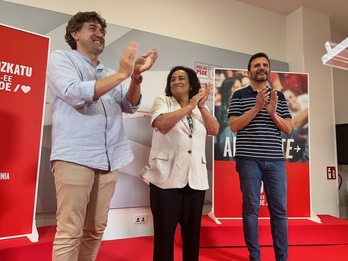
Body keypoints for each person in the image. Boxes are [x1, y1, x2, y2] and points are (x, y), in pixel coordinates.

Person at [46, 11, 158, 261]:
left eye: (103, 31)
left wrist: (136, 76)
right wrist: (122, 74)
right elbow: (74, 93)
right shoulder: (61, 59)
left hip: (110, 159)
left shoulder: (109, 71)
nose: (100, 34)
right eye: (92, 28)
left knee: (96, 229)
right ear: (74, 34)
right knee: (69, 230)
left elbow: (129, 106)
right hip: (75, 155)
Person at [140, 66, 220, 261]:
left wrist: (200, 106)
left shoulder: (202, 108)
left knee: (192, 237)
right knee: (164, 236)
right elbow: (162, 124)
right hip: (165, 179)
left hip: (195, 179)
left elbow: (214, 129)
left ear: (191, 84)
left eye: (181, 78)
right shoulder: (163, 101)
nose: (176, 81)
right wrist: (189, 107)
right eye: (173, 78)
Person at [228, 53, 292, 261]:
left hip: (275, 161)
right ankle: (254, 257)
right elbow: (234, 126)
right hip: (248, 160)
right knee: (250, 209)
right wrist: (256, 107)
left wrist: (273, 113)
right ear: (249, 72)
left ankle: (282, 258)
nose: (261, 67)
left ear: (269, 71)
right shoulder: (238, 95)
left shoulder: (279, 97)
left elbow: (289, 129)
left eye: (265, 64)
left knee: (280, 210)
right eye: (257, 65)